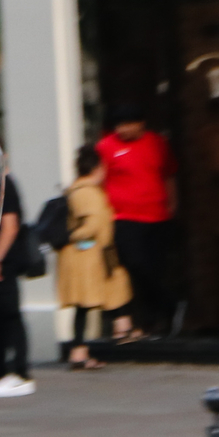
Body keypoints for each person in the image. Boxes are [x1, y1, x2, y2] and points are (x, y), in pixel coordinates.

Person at [97, 104, 176, 341]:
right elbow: (100, 179)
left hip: (157, 215)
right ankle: (142, 317)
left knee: (156, 268)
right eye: (119, 125)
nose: (123, 130)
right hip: (124, 217)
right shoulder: (107, 146)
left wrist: (173, 203)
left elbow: (169, 174)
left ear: (140, 123)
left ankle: (159, 316)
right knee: (134, 265)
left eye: (127, 124)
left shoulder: (157, 143)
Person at [55, 142, 129, 368]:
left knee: (84, 306)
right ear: (97, 168)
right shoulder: (90, 193)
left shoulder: (74, 190)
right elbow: (94, 224)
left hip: (78, 256)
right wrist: (77, 236)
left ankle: (80, 352)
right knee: (112, 288)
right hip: (87, 256)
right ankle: (122, 326)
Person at [0, 174, 33, 396]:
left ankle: (17, 371)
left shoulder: (4, 183)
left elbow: (10, 226)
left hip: (4, 263)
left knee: (9, 315)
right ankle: (1, 371)